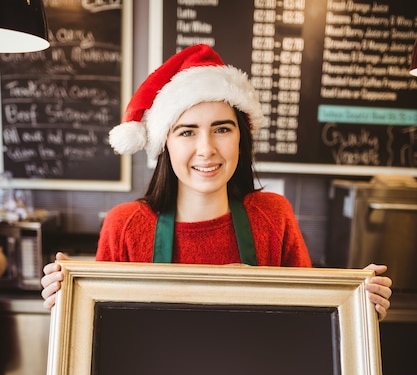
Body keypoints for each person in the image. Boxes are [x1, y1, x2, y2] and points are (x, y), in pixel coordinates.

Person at [41, 44, 392, 318]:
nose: (206, 149)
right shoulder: (126, 225)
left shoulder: (273, 215)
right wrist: (67, 299)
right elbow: (104, 334)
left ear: (241, 136)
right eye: (187, 132)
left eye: (222, 129)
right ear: (165, 144)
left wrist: (358, 306)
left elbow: (311, 318)